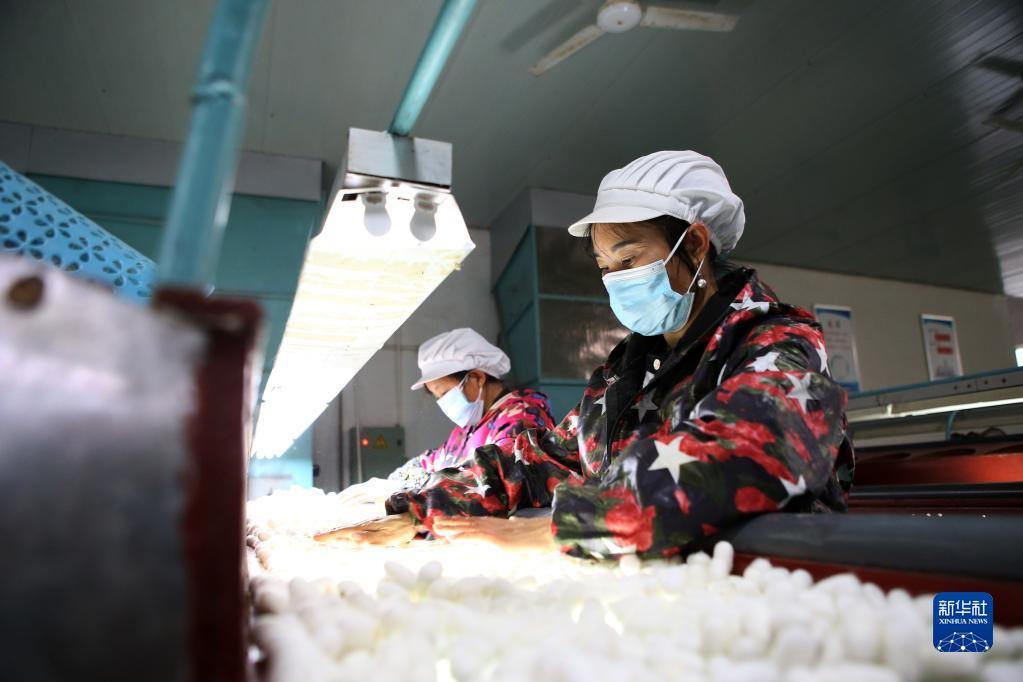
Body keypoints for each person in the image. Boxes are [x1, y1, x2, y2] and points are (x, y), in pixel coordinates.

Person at [323, 151, 854, 558]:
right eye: (605, 268)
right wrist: (420, 511)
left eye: (629, 258)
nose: (616, 281)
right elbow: (543, 458)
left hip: (773, 586)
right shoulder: (624, 375)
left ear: (694, 246)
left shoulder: (776, 342)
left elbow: (753, 447)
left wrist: (573, 525)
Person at [316, 327, 556, 542]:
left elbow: (496, 480)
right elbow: (433, 462)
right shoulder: (469, 428)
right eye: (437, 395)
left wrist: (414, 507)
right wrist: (397, 482)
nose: (442, 402)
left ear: (477, 377)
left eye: (444, 392)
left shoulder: (521, 418)